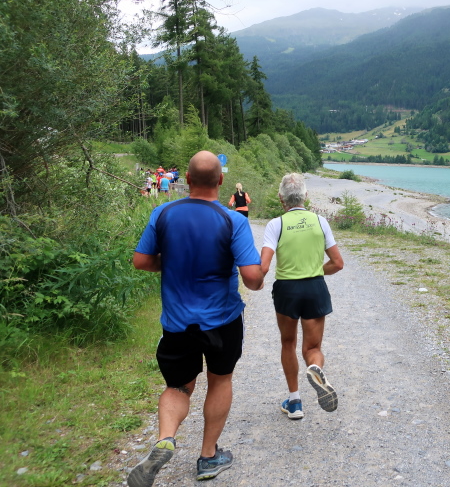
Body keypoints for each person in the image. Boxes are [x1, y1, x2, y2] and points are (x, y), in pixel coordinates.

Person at [128, 150, 264, 486]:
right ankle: (207, 457)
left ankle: (165, 439)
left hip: (177, 323)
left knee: (178, 386)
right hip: (222, 321)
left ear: (187, 179)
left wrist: (173, 263)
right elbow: (251, 279)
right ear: (221, 180)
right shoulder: (233, 221)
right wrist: (260, 272)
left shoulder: (163, 213)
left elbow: (141, 261)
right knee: (220, 380)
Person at [260, 173, 344, 420]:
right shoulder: (320, 222)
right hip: (315, 288)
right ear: (306, 196)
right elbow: (337, 263)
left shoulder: (276, 225)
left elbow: (263, 266)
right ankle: (315, 368)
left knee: (288, 343)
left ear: (281, 198)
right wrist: (315, 271)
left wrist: (254, 279)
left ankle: (295, 402)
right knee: (313, 347)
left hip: (287, 290)